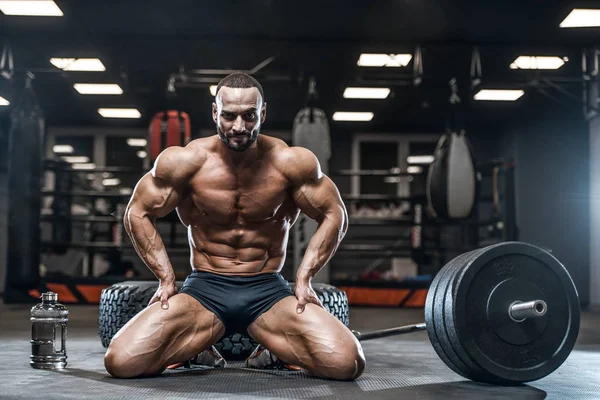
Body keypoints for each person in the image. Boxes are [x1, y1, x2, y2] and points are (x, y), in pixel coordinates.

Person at [103, 72, 365, 381]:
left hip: (267, 290)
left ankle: (269, 351)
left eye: (248, 115)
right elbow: (137, 212)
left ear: (262, 113)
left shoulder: (291, 163)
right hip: (205, 290)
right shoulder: (185, 162)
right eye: (228, 115)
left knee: (348, 364)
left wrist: (305, 277)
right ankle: (197, 349)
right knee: (120, 362)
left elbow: (335, 214)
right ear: (215, 112)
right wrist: (165, 277)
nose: (238, 126)